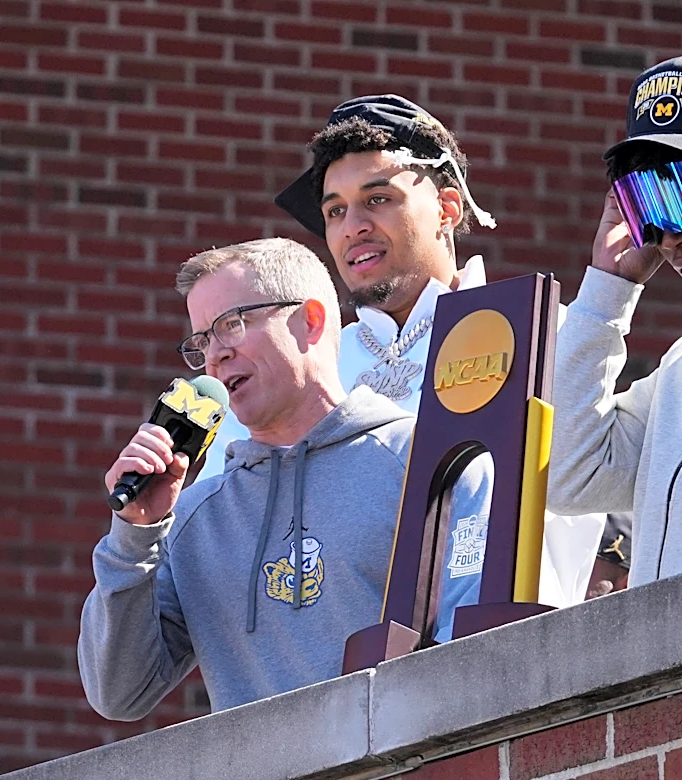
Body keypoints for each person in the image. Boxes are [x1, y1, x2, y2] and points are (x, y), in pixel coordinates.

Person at [78, 238, 489, 718]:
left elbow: (474, 653)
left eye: (231, 325)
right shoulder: (193, 518)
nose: (215, 356)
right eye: (201, 341)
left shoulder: (432, 460)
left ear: (310, 322)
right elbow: (118, 695)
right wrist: (134, 535)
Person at [274, 94, 604, 608]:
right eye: (334, 210)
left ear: (448, 208)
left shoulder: (541, 332)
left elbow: (613, 488)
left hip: (520, 661)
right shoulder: (319, 367)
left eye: (378, 198)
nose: (352, 225)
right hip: (345, 671)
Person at [547, 57, 682, 587]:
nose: (669, 235)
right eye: (648, 200)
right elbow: (569, 475)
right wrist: (608, 290)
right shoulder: (674, 375)